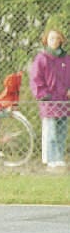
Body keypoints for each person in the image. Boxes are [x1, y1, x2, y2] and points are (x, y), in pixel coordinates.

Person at [29, 28, 70, 171]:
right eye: (51, 38)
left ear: (61, 41)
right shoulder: (42, 58)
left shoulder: (66, 58)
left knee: (62, 130)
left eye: (57, 38)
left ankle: (59, 158)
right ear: (46, 40)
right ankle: (50, 158)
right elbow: (36, 79)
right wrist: (43, 95)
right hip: (49, 100)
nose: (54, 41)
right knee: (50, 130)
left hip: (64, 100)